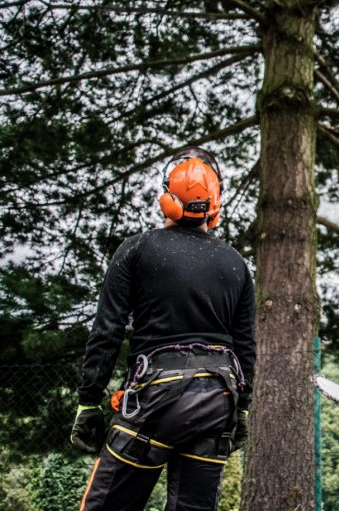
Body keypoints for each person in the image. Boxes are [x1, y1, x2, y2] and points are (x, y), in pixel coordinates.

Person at [71, 146, 256, 511]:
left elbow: (107, 330)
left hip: (153, 400)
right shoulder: (236, 264)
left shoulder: (136, 250)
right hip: (218, 403)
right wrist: (243, 410)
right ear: (214, 206)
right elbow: (245, 347)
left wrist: (88, 401)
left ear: (166, 199)